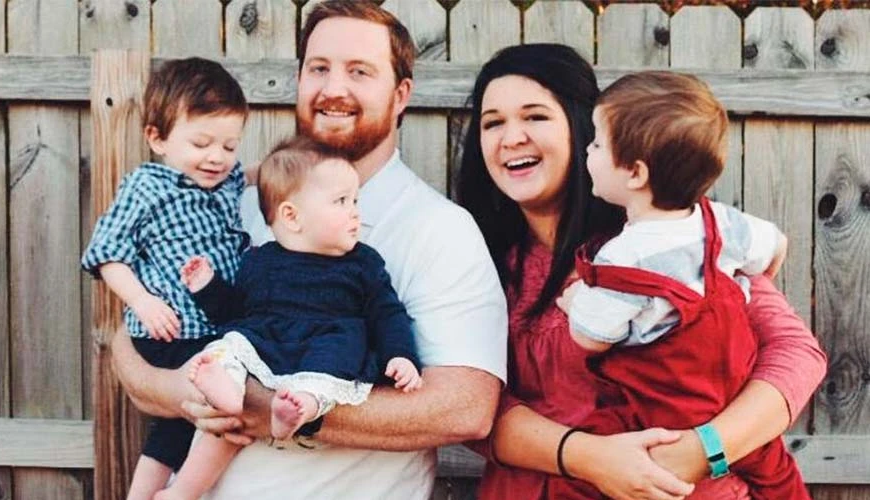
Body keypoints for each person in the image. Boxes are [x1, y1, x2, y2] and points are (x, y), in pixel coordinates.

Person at [109, 1, 508, 499]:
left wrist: (270, 406)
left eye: (359, 71)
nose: (333, 88)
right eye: (319, 68)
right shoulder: (237, 202)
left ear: (401, 94)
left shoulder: (437, 230)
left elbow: (465, 409)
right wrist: (184, 391)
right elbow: (133, 333)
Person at [456, 44, 827, 500]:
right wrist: (589, 457)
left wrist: (702, 450)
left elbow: (796, 354)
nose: (511, 137)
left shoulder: (666, 235)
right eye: (493, 123)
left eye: (535, 116)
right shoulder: (475, 259)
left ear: (582, 128)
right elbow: (468, 409)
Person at [548, 71, 808, 499]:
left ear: (635, 173)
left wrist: (577, 301)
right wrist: (739, 283)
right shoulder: (720, 223)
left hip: (663, 414)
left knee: (583, 468)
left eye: (596, 144)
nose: (587, 151)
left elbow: (592, 337)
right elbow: (777, 246)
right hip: (737, 403)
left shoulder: (622, 258)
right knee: (779, 475)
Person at [156, 136, 422, 500]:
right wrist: (207, 287)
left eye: (355, 200)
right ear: (292, 217)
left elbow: (387, 314)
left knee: (326, 376)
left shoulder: (363, 262)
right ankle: (188, 478)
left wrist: (400, 355)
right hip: (265, 344)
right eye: (341, 201)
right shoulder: (259, 260)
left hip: (326, 347)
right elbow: (235, 313)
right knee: (229, 357)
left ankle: (298, 411)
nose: (356, 212)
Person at [80, 57, 249, 500]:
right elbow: (106, 253)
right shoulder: (147, 186)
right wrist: (142, 302)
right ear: (157, 139)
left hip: (214, 325)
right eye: (201, 143)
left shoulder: (229, 180)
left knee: (177, 428)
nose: (217, 157)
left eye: (229, 145)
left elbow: (257, 174)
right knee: (221, 410)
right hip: (170, 328)